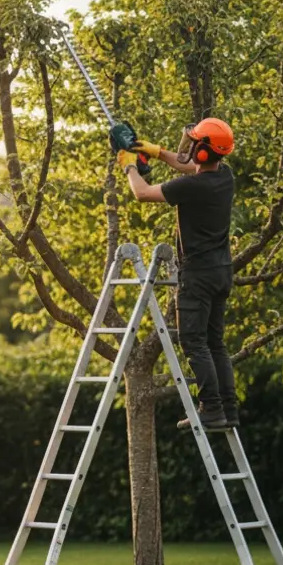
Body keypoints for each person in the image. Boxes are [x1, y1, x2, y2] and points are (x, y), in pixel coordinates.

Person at [110, 118, 238, 430]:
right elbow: (190, 167)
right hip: (221, 271)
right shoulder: (224, 176)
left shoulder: (193, 186)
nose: (190, 145)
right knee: (215, 342)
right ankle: (228, 409)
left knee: (194, 341)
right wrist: (155, 152)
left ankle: (211, 408)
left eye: (195, 143)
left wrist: (128, 165)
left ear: (204, 152)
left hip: (198, 276)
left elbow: (142, 194)